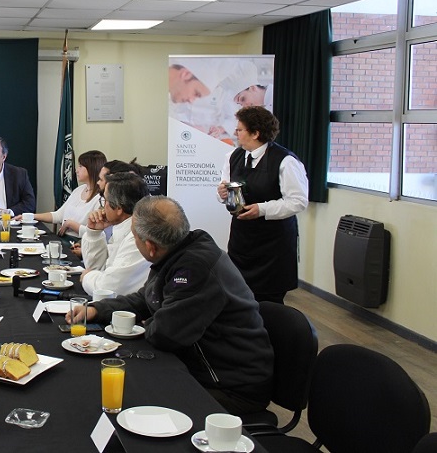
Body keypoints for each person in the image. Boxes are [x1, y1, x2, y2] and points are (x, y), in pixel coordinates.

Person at [69, 196, 273, 415]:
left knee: (131, 402)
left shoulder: (195, 268)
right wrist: (98, 309)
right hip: (203, 369)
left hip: (229, 387)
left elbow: (166, 334)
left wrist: (151, 320)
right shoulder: (178, 251)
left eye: (134, 238)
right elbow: (145, 299)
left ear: (150, 246)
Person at [217, 106, 309, 304]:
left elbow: (298, 201)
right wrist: (222, 194)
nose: (236, 133)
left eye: (240, 129)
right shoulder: (233, 157)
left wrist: (262, 209)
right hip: (242, 240)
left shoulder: (286, 161)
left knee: (269, 301)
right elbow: (226, 189)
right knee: (239, 295)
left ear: (256, 133)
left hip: (273, 244)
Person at [79, 173, 150, 298]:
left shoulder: (138, 237)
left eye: (105, 200)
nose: (102, 206)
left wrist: (87, 277)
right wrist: (94, 233)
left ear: (118, 208)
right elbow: (98, 268)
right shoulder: (122, 227)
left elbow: (108, 289)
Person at [32, 150, 106, 239]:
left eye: (80, 166)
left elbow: (96, 233)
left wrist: (71, 224)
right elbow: (58, 215)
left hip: (80, 243)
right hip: (64, 238)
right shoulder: (79, 190)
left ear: (91, 169)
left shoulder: (101, 199)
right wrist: (31, 216)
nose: (76, 170)